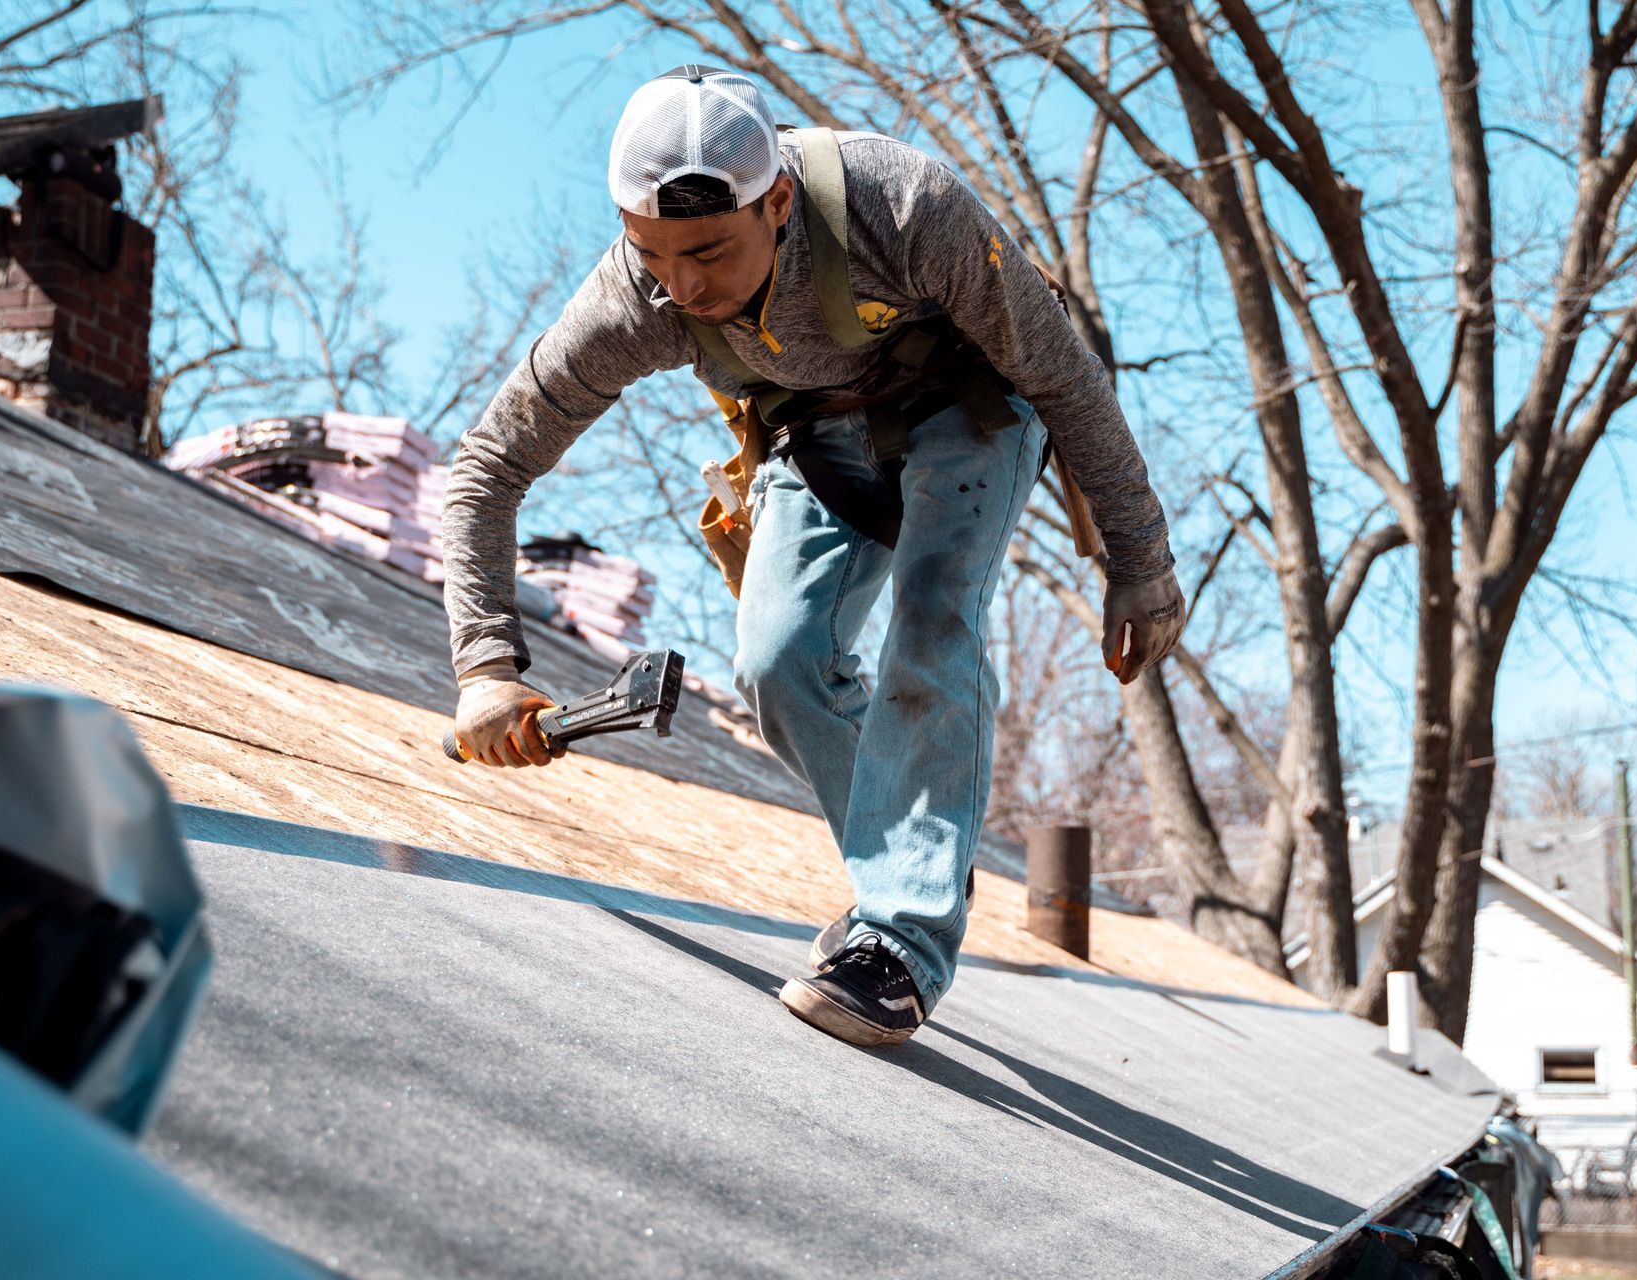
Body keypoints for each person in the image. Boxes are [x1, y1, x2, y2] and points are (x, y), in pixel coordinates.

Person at [444, 65, 1184, 1047]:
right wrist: (485, 667)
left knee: (935, 614)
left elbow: (1064, 377)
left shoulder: (904, 208)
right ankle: (920, 851)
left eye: (708, 251)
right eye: (652, 252)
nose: (682, 287)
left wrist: (1141, 560)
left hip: (971, 404)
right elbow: (489, 465)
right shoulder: (637, 297)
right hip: (815, 434)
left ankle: (902, 942)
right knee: (777, 663)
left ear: (779, 201)